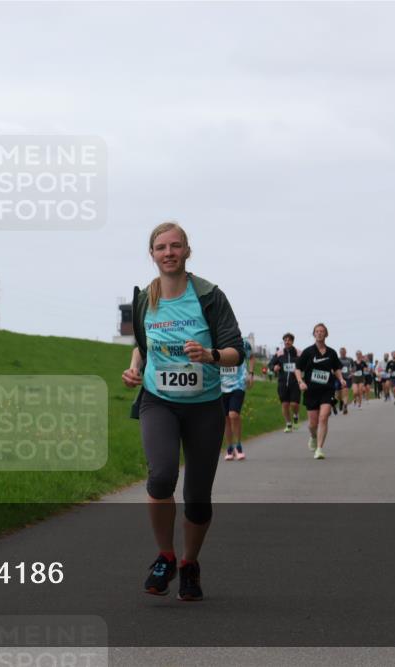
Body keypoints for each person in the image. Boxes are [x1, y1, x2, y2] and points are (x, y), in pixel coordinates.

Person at [122, 221, 244, 602]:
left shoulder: (208, 296)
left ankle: (190, 562)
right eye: (161, 247)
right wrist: (134, 368)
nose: (169, 253)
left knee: (197, 495)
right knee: (161, 477)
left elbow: (236, 352)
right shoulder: (145, 298)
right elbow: (143, 345)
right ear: (152, 254)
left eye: (175, 246)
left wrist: (209, 355)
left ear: (187, 251)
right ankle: (166, 556)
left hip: (204, 405)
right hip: (159, 400)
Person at [294, 323, 348, 460]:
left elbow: (336, 368)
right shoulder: (308, 352)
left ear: (326, 334)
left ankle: (319, 449)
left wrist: (341, 379)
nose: (319, 333)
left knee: (323, 417)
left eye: (322, 331)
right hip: (311, 390)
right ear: (314, 334)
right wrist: (300, 382)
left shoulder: (331, 353)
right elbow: (298, 368)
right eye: (317, 331)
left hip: (327, 389)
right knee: (312, 424)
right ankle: (313, 436)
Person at [222, 337, 255, 461]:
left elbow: (251, 357)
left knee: (233, 414)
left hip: (238, 384)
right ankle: (230, 448)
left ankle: (239, 446)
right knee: (226, 418)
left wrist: (251, 373)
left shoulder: (243, 343)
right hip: (221, 386)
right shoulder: (217, 340)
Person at [269, 334, 301, 432]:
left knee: (294, 404)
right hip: (282, 383)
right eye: (285, 340)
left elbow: (306, 364)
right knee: (285, 404)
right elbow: (270, 364)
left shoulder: (299, 353)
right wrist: (274, 367)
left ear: (292, 341)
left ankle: (296, 415)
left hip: (295, 383)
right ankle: (288, 424)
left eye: (289, 340)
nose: (287, 342)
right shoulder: (279, 353)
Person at [337, 347, 354, 415]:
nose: (342, 353)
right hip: (339, 378)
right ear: (340, 353)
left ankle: (345, 406)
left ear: (345, 352)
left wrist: (352, 373)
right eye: (341, 352)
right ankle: (341, 401)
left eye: (343, 352)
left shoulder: (350, 359)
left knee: (345, 392)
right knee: (338, 395)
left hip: (347, 378)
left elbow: (354, 367)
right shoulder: (337, 359)